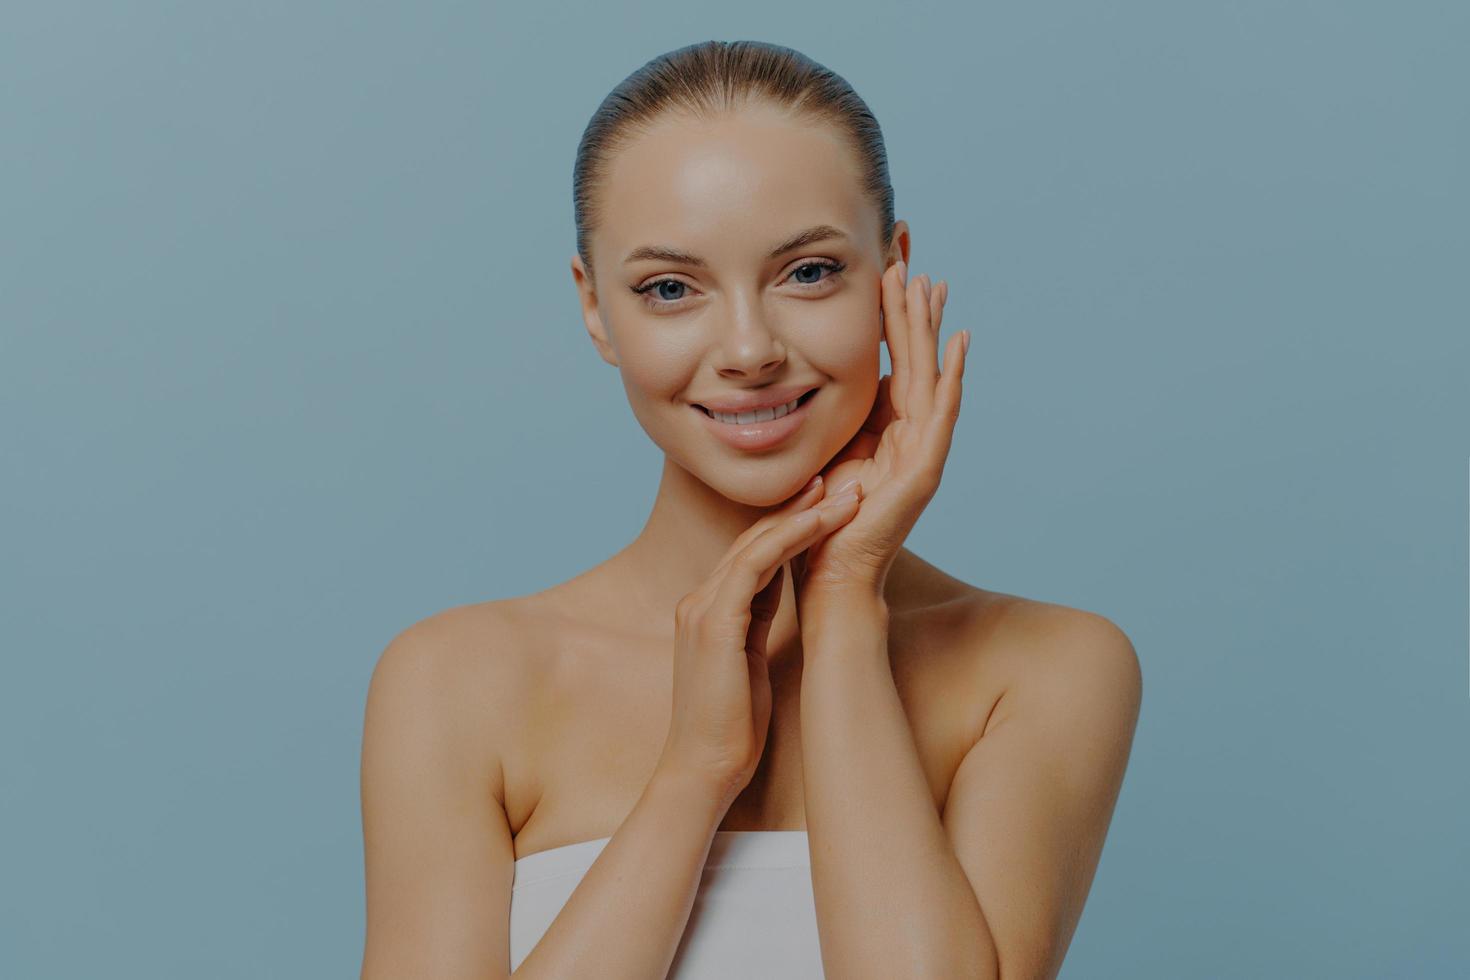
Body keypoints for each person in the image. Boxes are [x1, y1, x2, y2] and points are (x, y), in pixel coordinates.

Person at [359, 39, 1142, 979]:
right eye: (669, 289)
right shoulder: (455, 683)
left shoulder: (1044, 671)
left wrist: (846, 604)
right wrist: (692, 776)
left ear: (893, 272)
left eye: (807, 272)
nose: (747, 349)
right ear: (596, 309)